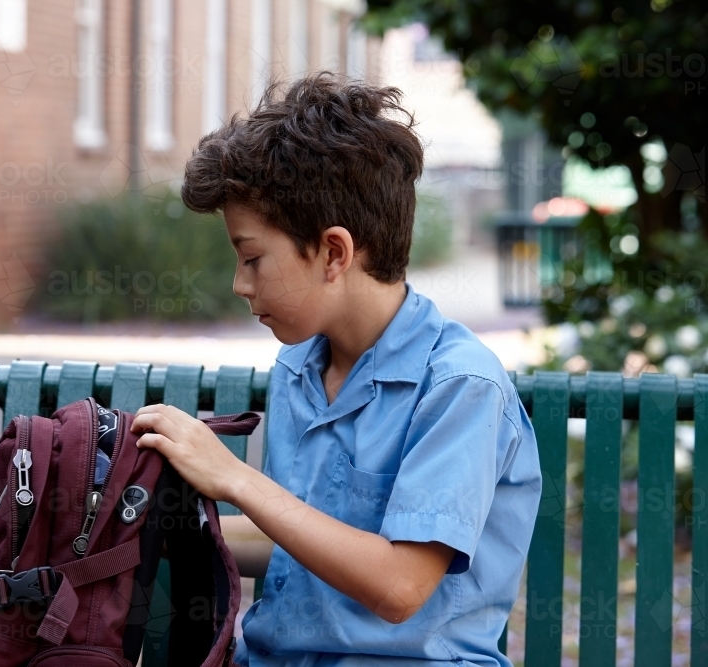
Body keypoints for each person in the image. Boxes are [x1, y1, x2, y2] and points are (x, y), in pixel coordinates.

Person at [130, 72, 542, 667]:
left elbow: (400, 587)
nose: (240, 284)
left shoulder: (459, 387)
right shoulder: (300, 367)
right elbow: (298, 543)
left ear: (334, 253)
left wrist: (235, 478)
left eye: (252, 258)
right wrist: (151, 524)